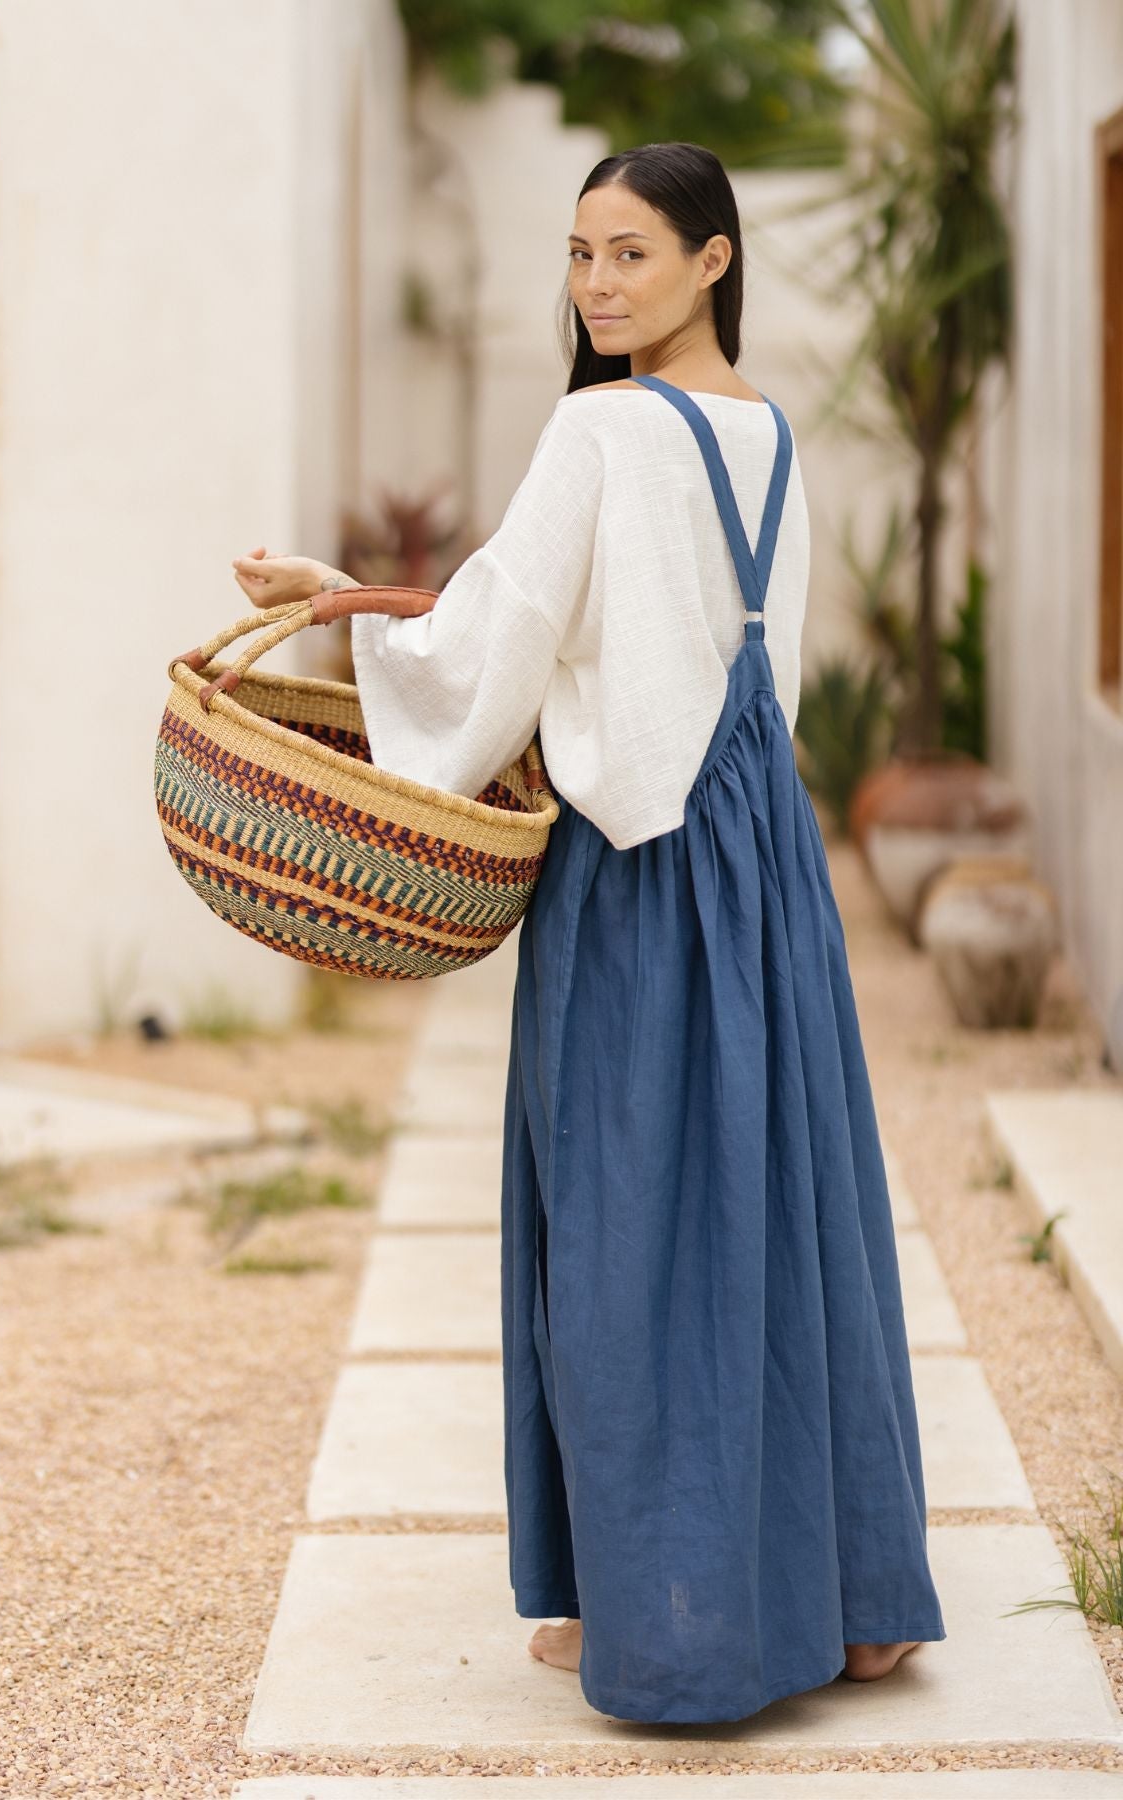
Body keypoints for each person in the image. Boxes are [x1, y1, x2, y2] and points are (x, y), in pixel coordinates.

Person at [232, 140, 946, 1727]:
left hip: (638, 877)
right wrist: (377, 606)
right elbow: (689, 646)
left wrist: (346, 607)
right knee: (781, 1209)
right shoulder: (768, 436)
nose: (597, 285)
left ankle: (667, 1615)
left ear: (713, 260)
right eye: (577, 254)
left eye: (630, 253)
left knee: (625, 1235)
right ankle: (850, 1597)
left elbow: (501, 641)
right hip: (764, 868)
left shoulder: (601, 430)